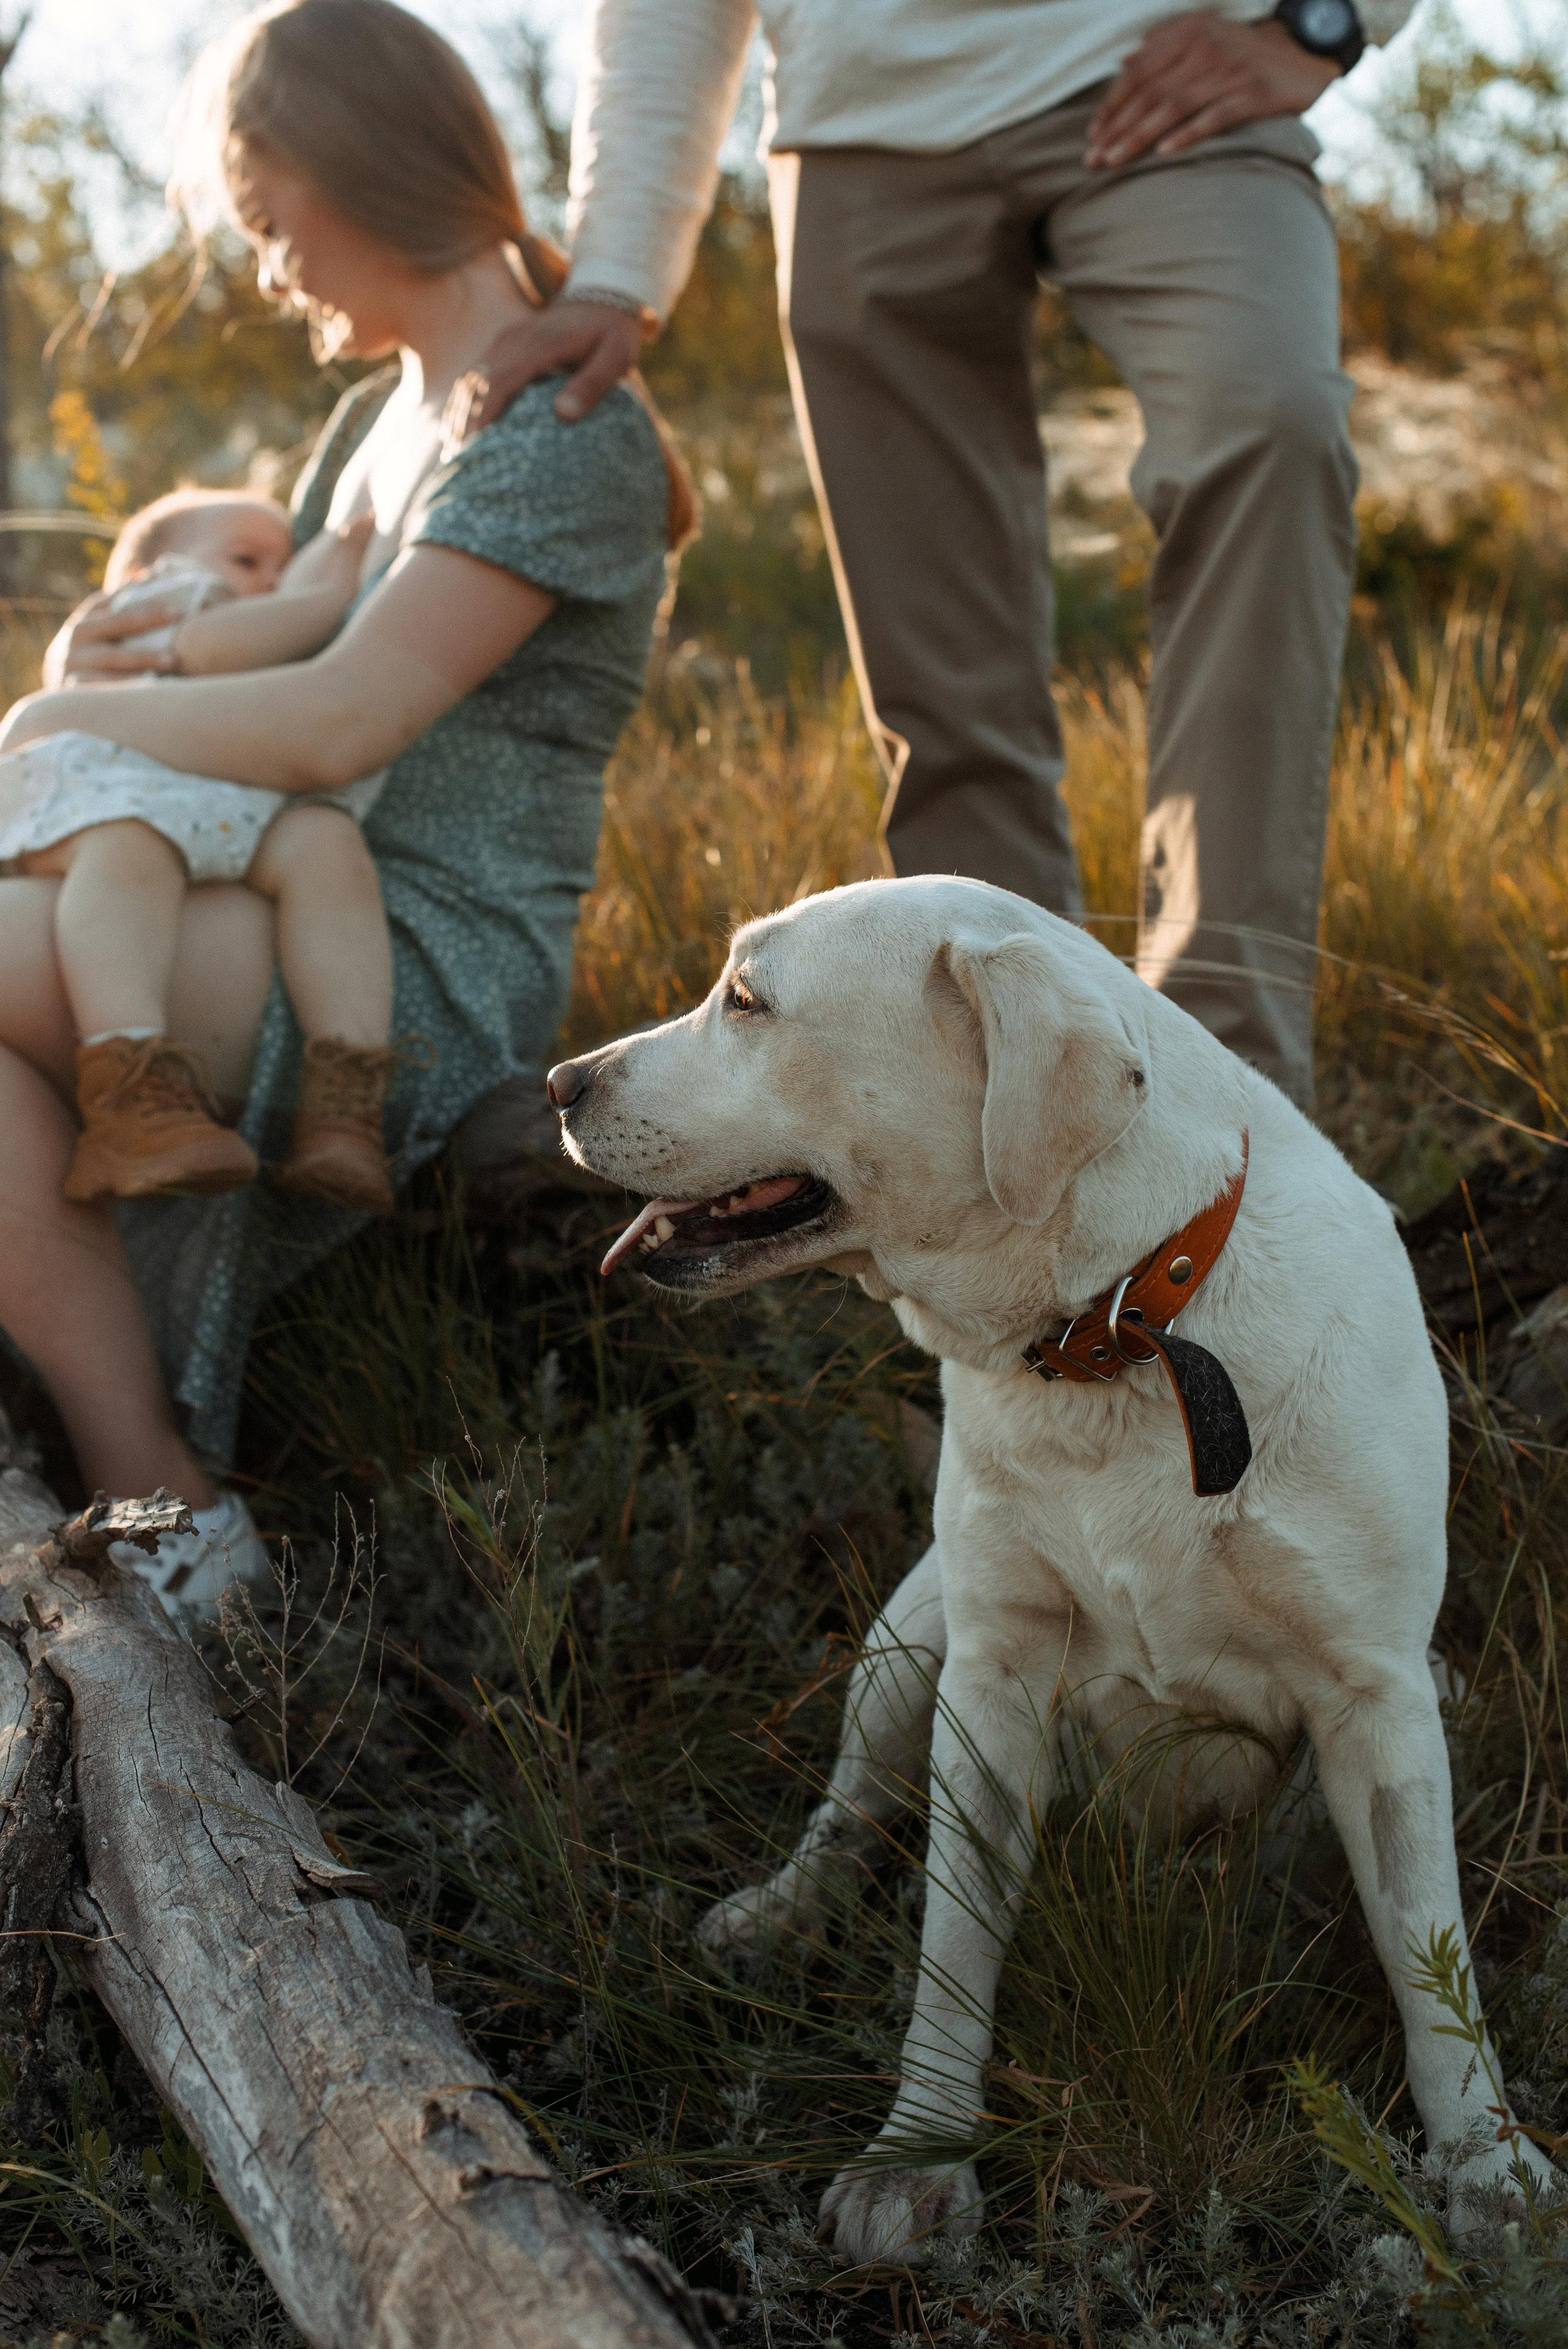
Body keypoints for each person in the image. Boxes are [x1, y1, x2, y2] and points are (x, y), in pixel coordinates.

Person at [0, 0, 685, 1614]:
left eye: (267, 219)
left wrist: (47, 714)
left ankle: (165, 1510)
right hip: (272, 891)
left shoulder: (560, 424)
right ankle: (155, 1491)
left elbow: (343, 720)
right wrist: (104, 656)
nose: (265, 267)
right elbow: (255, 663)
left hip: (415, 952)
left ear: (353, 167)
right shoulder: (374, 420)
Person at [463, 0, 1415, 1110]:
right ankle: (1011, 1111)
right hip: (860, 115)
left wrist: (1324, 20)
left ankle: (1231, 1096)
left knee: (1273, 428)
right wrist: (616, 271)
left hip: (1169, 68)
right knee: (944, 684)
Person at [0, 486, 404, 1215]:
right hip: (110, 789)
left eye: (281, 567)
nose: (270, 582)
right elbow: (220, 643)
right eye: (248, 558)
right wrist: (336, 586)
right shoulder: (166, 602)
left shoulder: (241, 608)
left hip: (217, 798)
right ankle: (129, 1085)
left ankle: (344, 1102)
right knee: (130, 854)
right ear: (145, 574)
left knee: (326, 841)